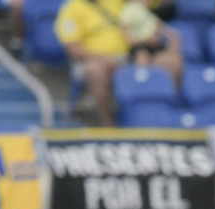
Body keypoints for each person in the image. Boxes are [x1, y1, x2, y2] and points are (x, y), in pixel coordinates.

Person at [54, 0, 183, 127]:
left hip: (131, 54)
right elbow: (73, 48)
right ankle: (108, 126)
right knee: (95, 69)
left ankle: (169, 120)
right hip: (94, 59)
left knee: (170, 62)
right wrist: (103, 57)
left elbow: (163, 4)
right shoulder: (72, 8)